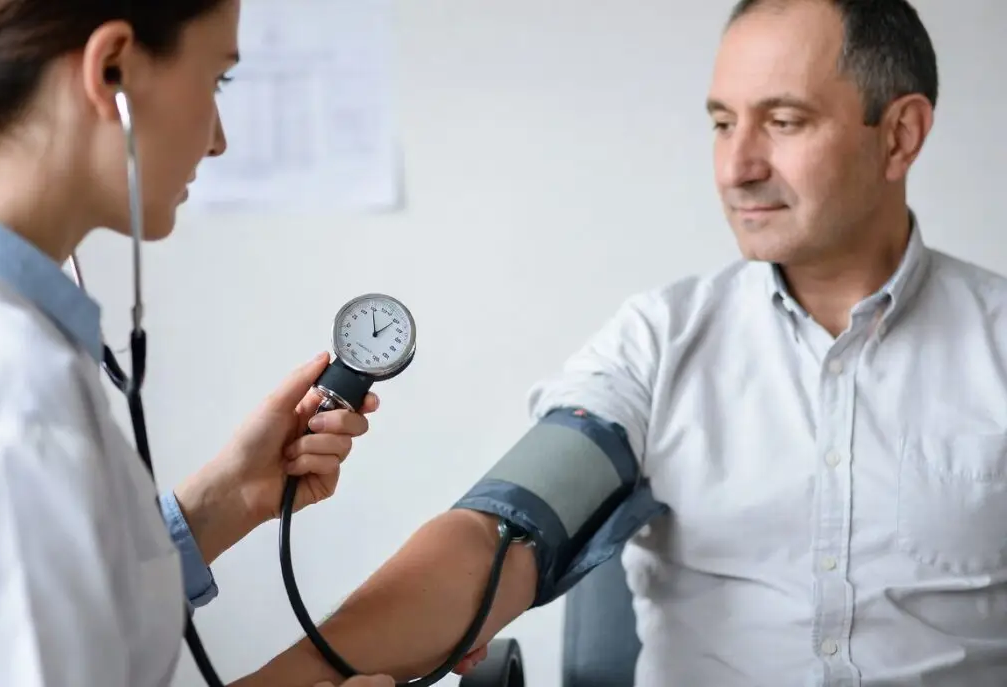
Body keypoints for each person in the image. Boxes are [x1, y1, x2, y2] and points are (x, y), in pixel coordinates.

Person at [232, 0, 1007, 685]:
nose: (736, 167)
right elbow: (499, 530)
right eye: (722, 123)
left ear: (899, 135)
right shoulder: (659, 341)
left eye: (783, 121)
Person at [0, 1, 394, 686]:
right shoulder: (18, 396)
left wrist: (230, 496)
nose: (218, 141)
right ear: (111, 69)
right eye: (216, 79)